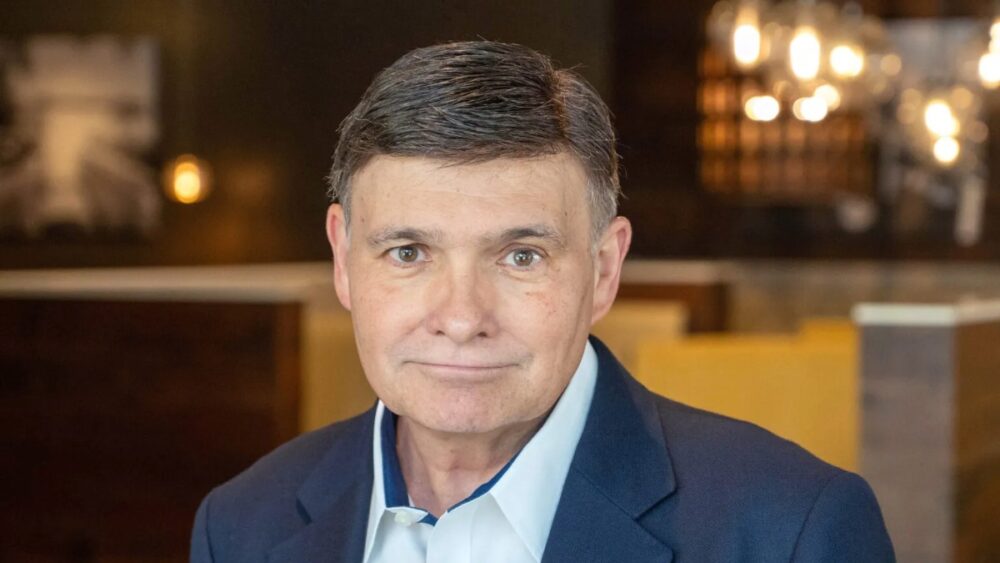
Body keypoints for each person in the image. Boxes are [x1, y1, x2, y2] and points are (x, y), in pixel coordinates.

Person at [190, 40, 895, 563]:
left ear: (603, 269)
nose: (462, 317)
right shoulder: (243, 524)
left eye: (520, 255)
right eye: (409, 253)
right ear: (344, 261)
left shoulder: (791, 529)